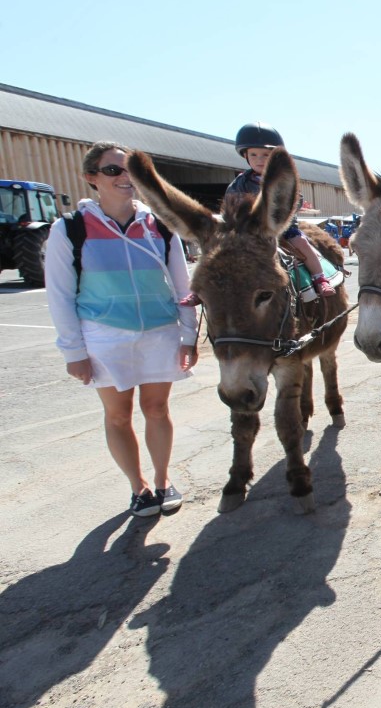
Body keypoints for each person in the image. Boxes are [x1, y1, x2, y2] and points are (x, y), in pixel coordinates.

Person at [44, 141, 199, 517]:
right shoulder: (70, 229)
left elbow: (183, 287)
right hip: (104, 335)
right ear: (91, 178)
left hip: (159, 332)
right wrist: (74, 352)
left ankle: (163, 481)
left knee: (157, 408)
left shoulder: (159, 226)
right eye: (113, 170)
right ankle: (139, 487)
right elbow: (60, 295)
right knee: (118, 415)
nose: (124, 177)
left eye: (131, 170)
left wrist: (189, 336)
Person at [181, 122, 334, 306]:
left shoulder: (282, 179)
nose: (259, 159)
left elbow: (295, 199)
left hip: (280, 229)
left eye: (265, 155)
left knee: (301, 243)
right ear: (245, 156)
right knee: (214, 252)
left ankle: (319, 277)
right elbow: (229, 204)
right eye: (254, 154)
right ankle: (200, 288)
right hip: (248, 232)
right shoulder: (239, 182)